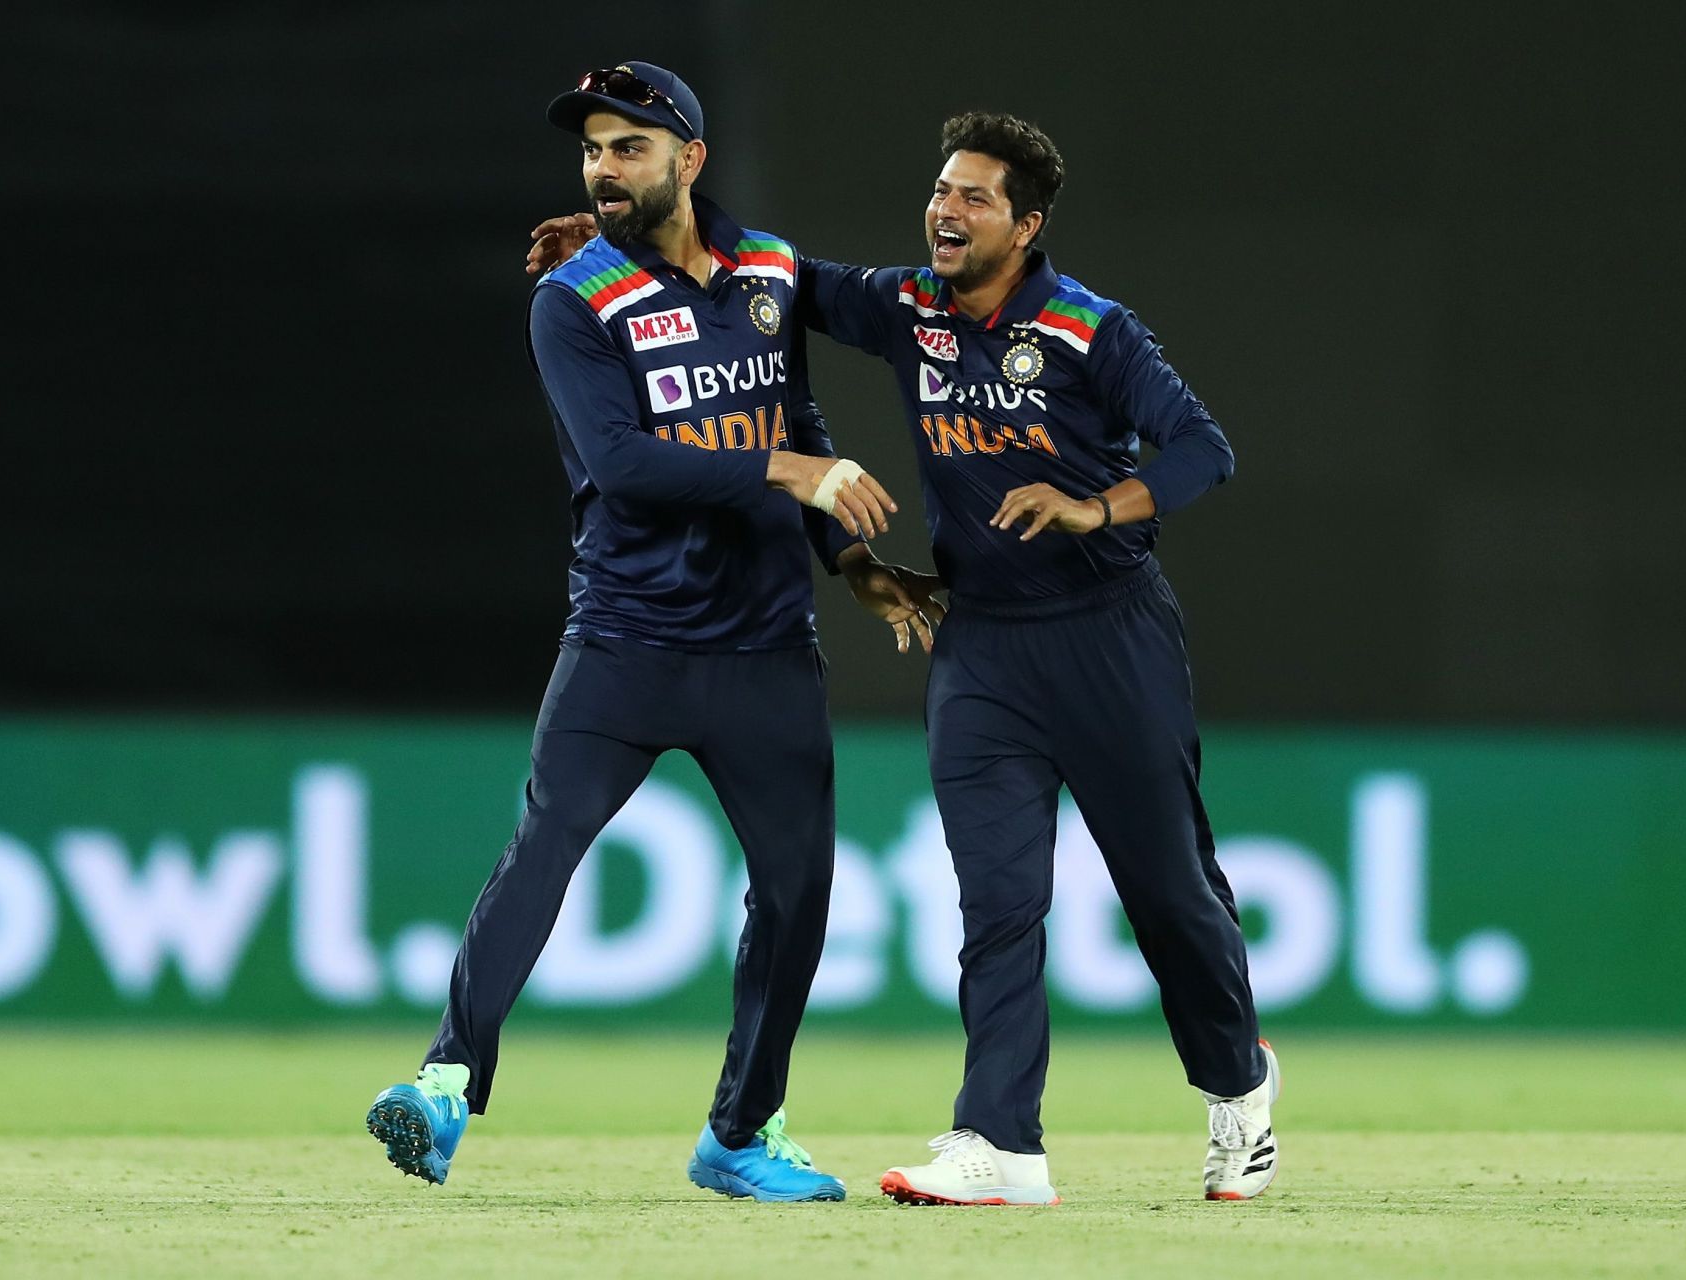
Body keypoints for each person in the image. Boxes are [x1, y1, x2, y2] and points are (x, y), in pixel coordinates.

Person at [529, 110, 1280, 1205]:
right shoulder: (906, 306)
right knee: (998, 903)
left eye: (975, 196)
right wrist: (612, 249)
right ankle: (1000, 1143)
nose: (946, 208)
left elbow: (1205, 448)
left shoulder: (1088, 329)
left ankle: (1237, 1084)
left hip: (1109, 635)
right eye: (941, 188)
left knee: (1168, 895)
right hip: (980, 648)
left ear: (1025, 226)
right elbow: (760, 273)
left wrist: (1093, 506)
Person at [367, 61, 909, 1204]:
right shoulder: (572, 299)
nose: (604, 169)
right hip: (626, 639)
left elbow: (794, 410)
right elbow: (626, 464)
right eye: (593, 150)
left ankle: (740, 1134)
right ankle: (447, 1078)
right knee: (547, 842)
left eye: (629, 147)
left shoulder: (770, 270)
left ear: (689, 158)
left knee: (800, 893)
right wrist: (793, 468)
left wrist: (849, 560)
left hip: (765, 647)